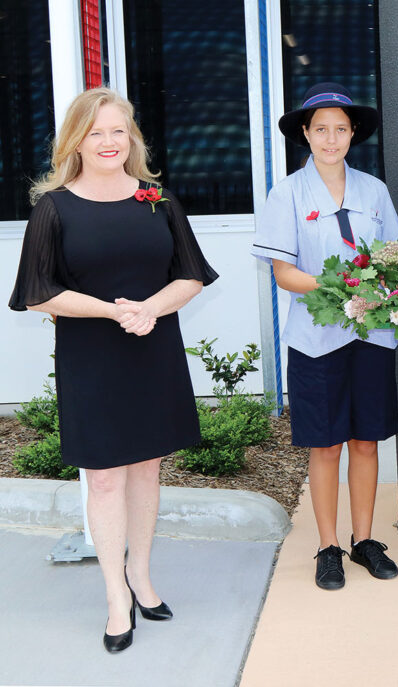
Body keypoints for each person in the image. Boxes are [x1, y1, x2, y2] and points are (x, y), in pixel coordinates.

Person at [8, 87, 218, 652]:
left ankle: (143, 578)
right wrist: (112, 309)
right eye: (96, 132)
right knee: (103, 476)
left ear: (132, 139)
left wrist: (150, 307)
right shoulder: (54, 208)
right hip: (92, 357)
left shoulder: (157, 200)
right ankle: (115, 598)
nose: (109, 141)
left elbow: (192, 274)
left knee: (147, 469)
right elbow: (36, 294)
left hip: (152, 348)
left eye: (118, 131)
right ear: (76, 140)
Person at [251, 83, 398, 590]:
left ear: (352, 133)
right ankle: (328, 546)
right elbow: (284, 273)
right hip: (316, 338)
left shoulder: (374, 191)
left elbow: (395, 259)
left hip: (372, 335)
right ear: (305, 133)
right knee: (326, 445)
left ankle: (364, 540)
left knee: (365, 441)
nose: (331, 138)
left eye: (341, 129)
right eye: (321, 129)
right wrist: (339, 284)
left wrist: (387, 285)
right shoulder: (288, 193)